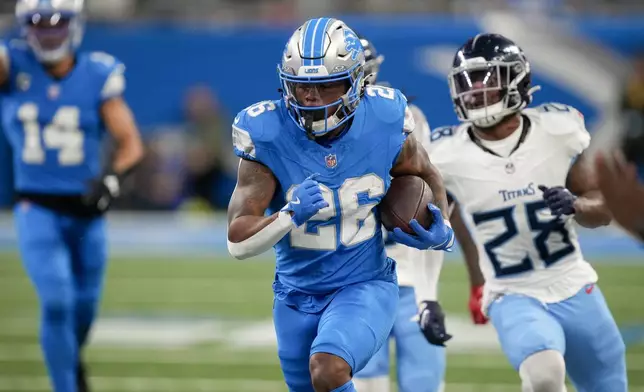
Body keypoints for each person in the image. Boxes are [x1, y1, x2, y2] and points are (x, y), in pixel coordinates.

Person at [227, 17, 454, 392]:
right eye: (302, 88)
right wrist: (287, 216)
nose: (312, 99)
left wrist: (440, 227)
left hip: (364, 283)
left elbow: (426, 173)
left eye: (327, 86)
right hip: (294, 294)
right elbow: (237, 242)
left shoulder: (385, 117)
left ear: (356, 83)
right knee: (315, 383)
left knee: (328, 370)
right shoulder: (265, 133)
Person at [429, 33, 626, 392]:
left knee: (608, 385)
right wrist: (477, 282)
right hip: (511, 291)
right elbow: (454, 215)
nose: (475, 90)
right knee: (544, 375)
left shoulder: (557, 130)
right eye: (468, 82)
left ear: (517, 80)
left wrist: (577, 204)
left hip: (572, 281)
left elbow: (604, 208)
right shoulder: (445, 153)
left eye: (488, 79)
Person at [0, 0, 144, 391]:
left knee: (83, 308)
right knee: (57, 300)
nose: (48, 33)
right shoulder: (12, 64)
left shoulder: (97, 72)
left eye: (57, 23)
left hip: (87, 209)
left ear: (76, 24)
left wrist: (112, 178)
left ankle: (70, 361)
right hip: (36, 207)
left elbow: (130, 143)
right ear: (23, 27)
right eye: (38, 24)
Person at [352, 35, 482, 392]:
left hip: (406, 277)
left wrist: (428, 296)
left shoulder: (401, 117)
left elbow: (434, 215)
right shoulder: (314, 130)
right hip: (350, 282)